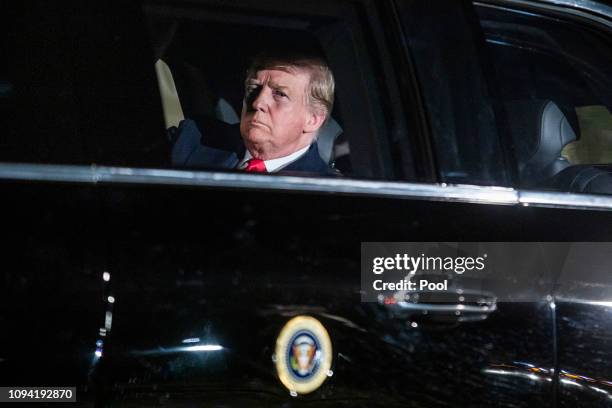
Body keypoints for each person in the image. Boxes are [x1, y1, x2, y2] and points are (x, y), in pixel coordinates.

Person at [169, 52, 339, 176]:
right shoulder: (193, 138)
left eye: (280, 94)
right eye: (253, 89)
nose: (257, 103)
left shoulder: (329, 190)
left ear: (313, 119)